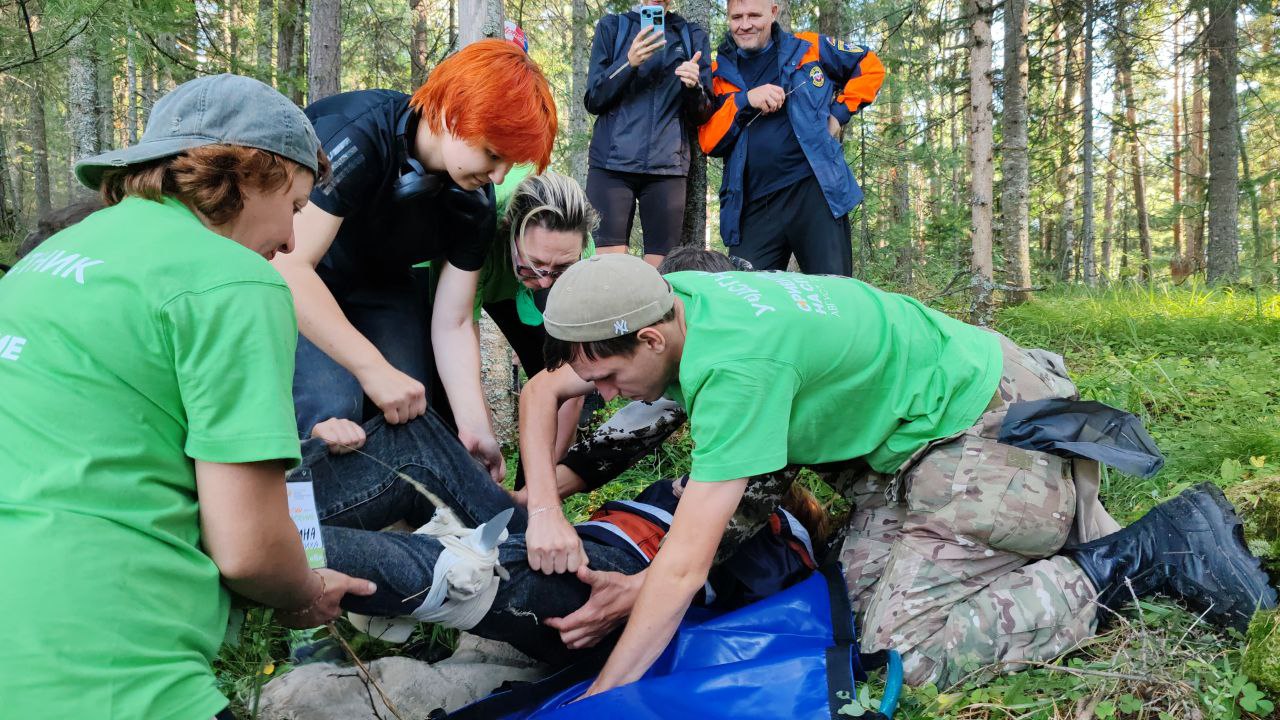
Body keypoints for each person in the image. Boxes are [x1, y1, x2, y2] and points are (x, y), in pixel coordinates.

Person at [519, 253, 1276, 694]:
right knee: (841, 611)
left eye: (610, 379)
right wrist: (547, 507)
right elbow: (545, 390)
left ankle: (1146, 553)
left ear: (651, 339)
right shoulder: (681, 295)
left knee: (895, 657)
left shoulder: (737, 367)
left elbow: (685, 567)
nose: (606, 398)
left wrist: (605, 699)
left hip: (992, 429)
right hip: (924, 431)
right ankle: (1016, 553)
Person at [0, 74, 376, 720]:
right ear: (254, 172)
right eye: (295, 205)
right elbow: (249, 547)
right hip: (112, 669)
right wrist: (305, 590)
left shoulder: (45, 261)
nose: (291, 241)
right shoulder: (233, 280)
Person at [293, 412, 823, 666]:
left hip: (607, 590)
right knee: (414, 440)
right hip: (566, 550)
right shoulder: (678, 487)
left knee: (471, 570)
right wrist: (507, 498)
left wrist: (643, 594)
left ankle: (273, 556)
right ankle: (274, 512)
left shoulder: (782, 531)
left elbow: (730, 604)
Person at [275, 40, 557, 483]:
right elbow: (288, 268)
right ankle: (303, 510)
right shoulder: (357, 135)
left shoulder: (475, 203)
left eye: (509, 162)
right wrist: (371, 369)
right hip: (300, 280)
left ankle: (399, 516)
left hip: (383, 284)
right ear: (454, 115)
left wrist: (475, 426)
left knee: (414, 408)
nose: (499, 176)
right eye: (493, 154)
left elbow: (455, 321)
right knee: (334, 408)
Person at [699, 0, 884, 275]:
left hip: (815, 192)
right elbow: (708, 141)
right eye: (737, 17)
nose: (745, 24)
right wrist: (745, 100)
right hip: (752, 205)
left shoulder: (807, 48)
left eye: (754, 15)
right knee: (748, 295)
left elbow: (870, 66)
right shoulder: (718, 72)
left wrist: (838, 114)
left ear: (773, 12)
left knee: (833, 290)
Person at [584, 0, 714, 267]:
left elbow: (702, 114)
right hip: (611, 167)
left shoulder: (690, 35)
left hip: (666, 169)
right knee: (606, 271)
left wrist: (694, 87)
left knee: (661, 273)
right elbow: (594, 98)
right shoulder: (613, 27)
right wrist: (628, 63)